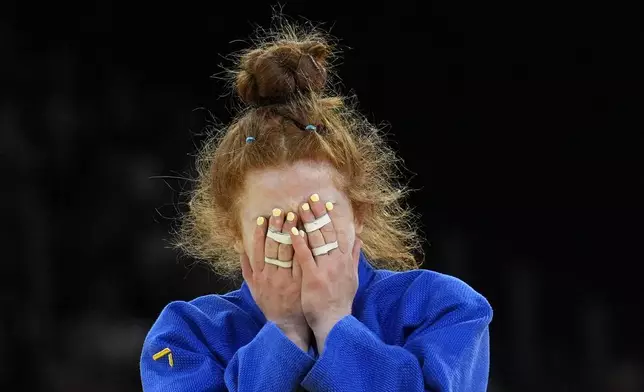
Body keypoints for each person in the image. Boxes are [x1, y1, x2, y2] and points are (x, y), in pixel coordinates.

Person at [140, 18, 492, 392]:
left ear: (360, 213)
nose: (300, 242)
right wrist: (285, 332)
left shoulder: (443, 308)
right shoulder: (186, 337)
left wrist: (333, 322)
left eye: (317, 217)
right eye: (274, 224)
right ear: (234, 233)